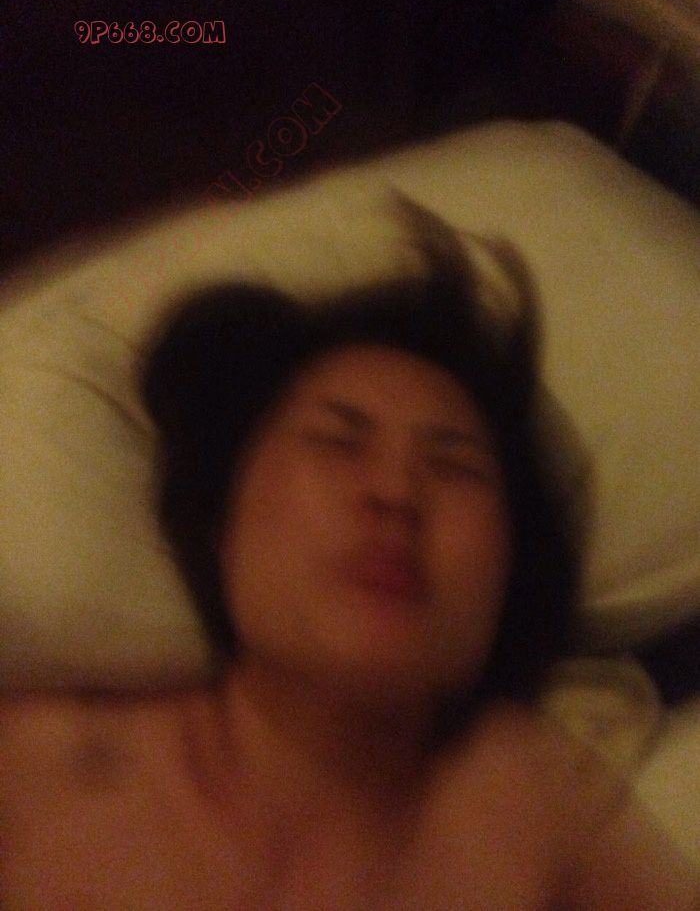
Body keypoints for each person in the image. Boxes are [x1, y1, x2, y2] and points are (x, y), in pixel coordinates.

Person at [1, 196, 698, 909]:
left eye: (453, 466)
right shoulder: (42, 770)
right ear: (222, 520)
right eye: (337, 442)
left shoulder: (533, 799)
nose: (396, 492)